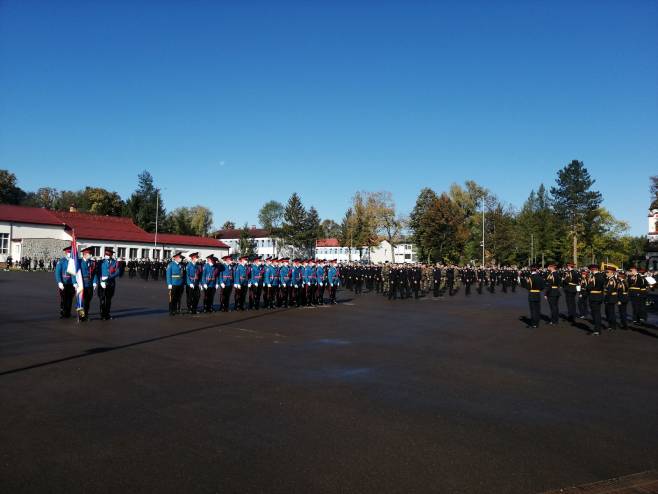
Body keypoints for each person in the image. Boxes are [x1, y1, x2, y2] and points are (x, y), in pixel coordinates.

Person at [97, 247, 120, 320]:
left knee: (109, 300)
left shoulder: (115, 262)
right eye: (106, 254)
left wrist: (109, 277)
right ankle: (102, 314)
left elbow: (117, 272)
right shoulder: (101, 262)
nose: (107, 256)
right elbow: (98, 272)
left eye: (108, 255)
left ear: (111, 255)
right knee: (102, 299)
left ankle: (107, 314)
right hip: (102, 283)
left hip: (111, 283)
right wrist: (101, 280)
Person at [55, 246, 75, 319]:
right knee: (64, 298)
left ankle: (68, 312)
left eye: (71, 253)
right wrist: (59, 282)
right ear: (66, 253)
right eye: (69, 253)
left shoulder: (73, 261)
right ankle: (63, 312)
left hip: (71, 283)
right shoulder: (61, 261)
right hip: (64, 283)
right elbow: (57, 273)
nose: (70, 254)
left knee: (70, 298)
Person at [79, 246, 97, 322]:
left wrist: (95, 282)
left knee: (87, 301)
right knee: (81, 302)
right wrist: (75, 283)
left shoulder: (92, 262)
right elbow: (74, 273)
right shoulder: (79, 262)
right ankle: (81, 316)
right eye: (89, 254)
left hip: (89, 284)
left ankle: (86, 315)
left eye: (91, 254)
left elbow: (94, 273)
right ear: (85, 254)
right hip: (81, 284)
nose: (91, 255)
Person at [587, 264, 606, 335]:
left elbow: (590, 287)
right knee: (597, 313)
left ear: (593, 269)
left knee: (595, 314)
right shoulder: (601, 276)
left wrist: (586, 288)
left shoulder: (594, 276)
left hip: (594, 296)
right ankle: (597, 329)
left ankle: (597, 330)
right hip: (599, 296)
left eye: (591, 269)